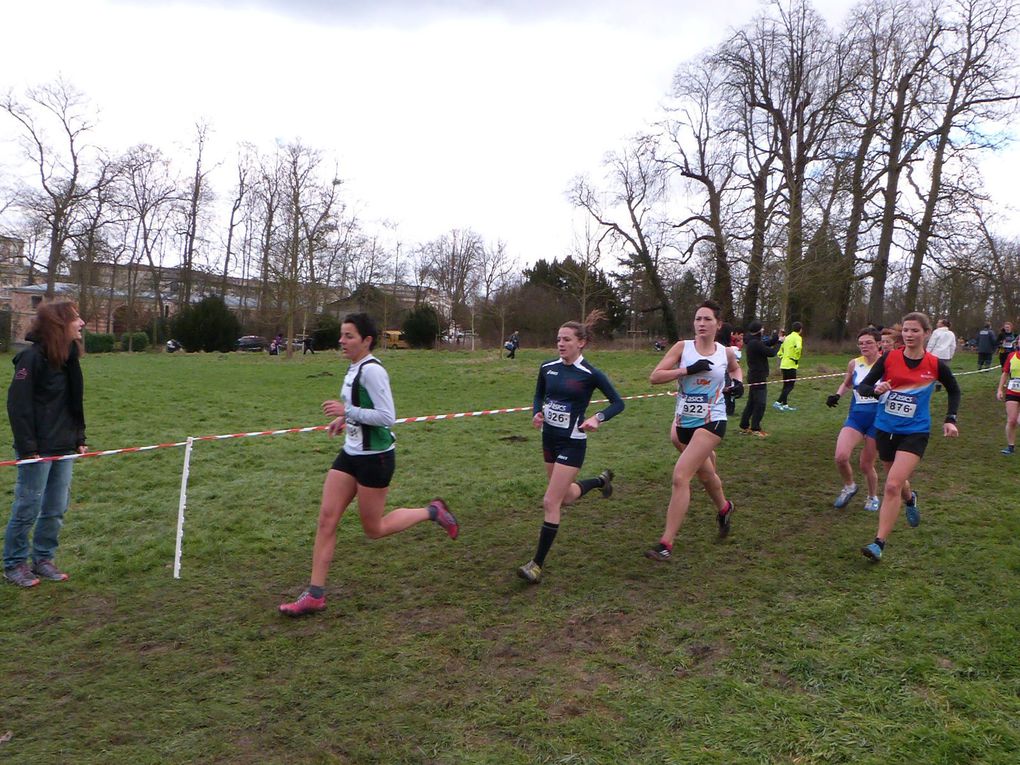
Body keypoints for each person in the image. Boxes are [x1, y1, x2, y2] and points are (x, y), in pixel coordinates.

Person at [279, 313, 459, 616]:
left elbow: (387, 417)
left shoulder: (373, 371)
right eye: (342, 335)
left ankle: (432, 511)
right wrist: (343, 419)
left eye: (349, 336)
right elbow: (362, 409)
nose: (341, 341)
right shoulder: (353, 368)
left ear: (366, 340)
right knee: (326, 520)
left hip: (376, 458)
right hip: (351, 453)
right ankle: (315, 594)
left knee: (373, 529)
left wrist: (347, 412)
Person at [517, 313, 623, 583]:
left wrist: (597, 418)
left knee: (550, 501)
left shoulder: (590, 374)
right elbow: (539, 395)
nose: (560, 344)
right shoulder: (547, 367)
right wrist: (537, 413)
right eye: (558, 339)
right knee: (564, 497)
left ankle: (536, 565)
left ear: (581, 343)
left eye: (566, 339)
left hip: (572, 442)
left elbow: (617, 403)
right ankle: (600, 481)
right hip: (548, 438)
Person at [855, 312, 960, 562]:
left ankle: (878, 543)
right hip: (885, 428)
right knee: (898, 482)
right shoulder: (889, 357)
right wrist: (876, 389)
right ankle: (911, 499)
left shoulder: (935, 364)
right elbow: (863, 387)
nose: (909, 335)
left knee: (891, 485)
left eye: (915, 331)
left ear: (926, 334)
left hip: (916, 431)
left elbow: (954, 391)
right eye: (906, 330)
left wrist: (950, 419)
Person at [645, 300, 743, 562]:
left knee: (681, 476)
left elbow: (734, 369)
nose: (701, 324)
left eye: (707, 319)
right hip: (682, 424)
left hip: (713, 421)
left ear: (718, 325)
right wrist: (687, 369)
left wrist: (738, 383)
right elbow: (655, 377)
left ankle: (666, 543)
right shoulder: (683, 348)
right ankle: (724, 508)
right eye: (698, 319)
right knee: (706, 472)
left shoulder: (725, 352)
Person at [4, 300, 87, 587]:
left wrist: (79, 438)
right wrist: (28, 449)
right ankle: (14, 564)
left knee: (56, 508)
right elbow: (18, 406)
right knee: (27, 507)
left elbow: (73, 403)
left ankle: (43, 559)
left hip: (64, 447)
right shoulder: (31, 359)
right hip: (37, 450)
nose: (82, 323)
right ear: (59, 324)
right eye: (76, 319)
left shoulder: (69, 358)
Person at [826, 328, 883, 512]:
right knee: (840, 457)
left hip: (878, 420)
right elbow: (847, 383)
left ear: (878, 344)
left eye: (869, 343)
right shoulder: (854, 363)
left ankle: (873, 496)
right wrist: (837, 395)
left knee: (866, 465)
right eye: (861, 343)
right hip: (856, 417)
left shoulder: (886, 364)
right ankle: (849, 486)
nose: (864, 346)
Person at [739, 320, 778, 438]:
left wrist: (776, 338)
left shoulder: (753, 342)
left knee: (751, 402)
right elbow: (771, 352)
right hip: (758, 377)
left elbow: (767, 344)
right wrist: (780, 344)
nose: (763, 330)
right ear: (758, 331)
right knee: (760, 403)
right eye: (762, 329)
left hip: (754, 376)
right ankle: (755, 428)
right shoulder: (755, 343)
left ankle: (744, 425)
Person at [773, 321, 803, 411]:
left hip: (784, 364)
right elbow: (799, 348)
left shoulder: (787, 337)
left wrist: (783, 357)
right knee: (790, 386)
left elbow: (779, 352)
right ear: (800, 330)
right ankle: (778, 402)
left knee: (786, 385)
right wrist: (796, 356)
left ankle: (785, 405)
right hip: (791, 365)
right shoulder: (798, 337)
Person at [996, 344, 1020, 455]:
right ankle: (1010, 447)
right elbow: (1005, 373)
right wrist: (1000, 389)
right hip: (1012, 392)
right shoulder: (1011, 356)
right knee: (1012, 420)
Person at [926, 319, 956, 392]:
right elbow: (953, 346)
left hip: (935, 355)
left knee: (932, 371)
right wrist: (951, 355)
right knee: (942, 372)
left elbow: (931, 344)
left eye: (938, 322)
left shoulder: (936, 332)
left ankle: (929, 385)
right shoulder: (951, 334)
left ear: (942, 324)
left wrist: (926, 353)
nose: (937, 324)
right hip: (946, 355)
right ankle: (938, 386)